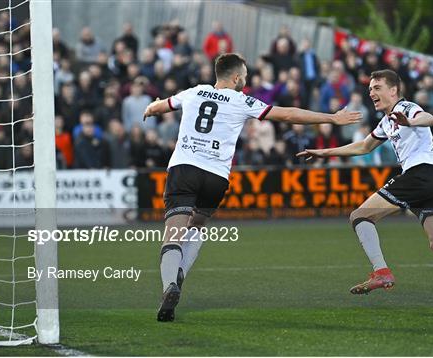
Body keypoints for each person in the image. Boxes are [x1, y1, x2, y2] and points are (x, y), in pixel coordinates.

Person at [143, 53, 362, 322]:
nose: (245, 82)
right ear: (236, 78)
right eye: (244, 77)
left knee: (173, 235)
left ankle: (169, 286)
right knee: (197, 225)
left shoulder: (193, 92)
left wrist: (151, 108)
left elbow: (161, 106)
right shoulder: (241, 100)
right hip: (216, 177)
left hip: (184, 169)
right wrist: (331, 118)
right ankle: (179, 275)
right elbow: (288, 114)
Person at [297, 69, 433, 312]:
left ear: (393, 90)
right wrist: (322, 152)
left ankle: (382, 272)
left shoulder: (405, 108)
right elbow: (365, 147)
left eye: (377, 88)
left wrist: (411, 121)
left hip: (419, 175)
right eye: (370, 90)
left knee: (359, 216)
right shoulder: (387, 120)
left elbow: (429, 118)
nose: (372, 93)